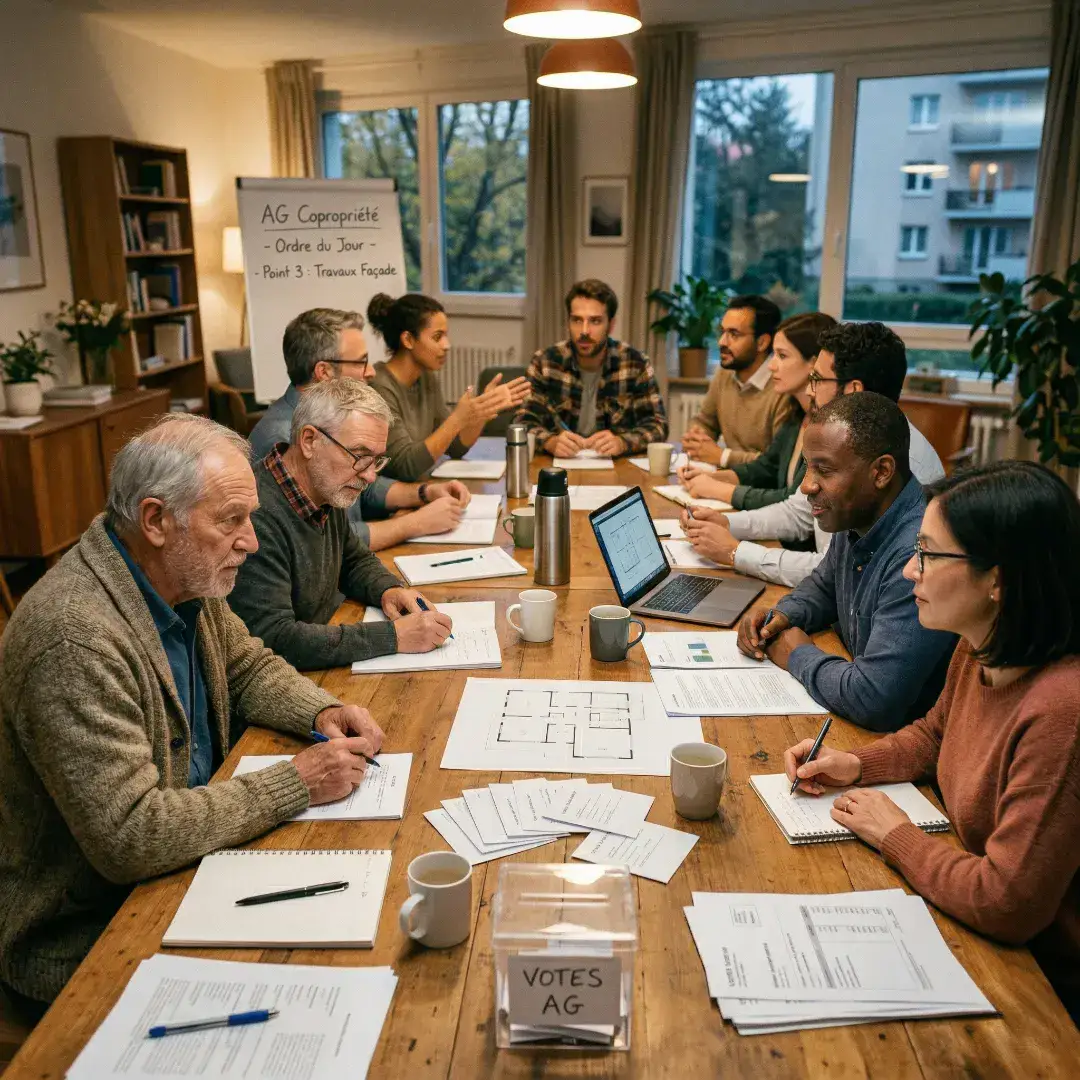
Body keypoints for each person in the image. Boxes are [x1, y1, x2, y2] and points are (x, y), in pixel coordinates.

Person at [0, 415, 384, 1013]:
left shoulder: (181, 578)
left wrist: (324, 709)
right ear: (156, 520)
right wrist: (296, 782)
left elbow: (248, 666)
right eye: (231, 520)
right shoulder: (74, 637)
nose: (251, 541)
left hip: (190, 868)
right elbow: (132, 835)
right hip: (91, 932)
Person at [783, 461, 1080, 1023]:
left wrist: (896, 834)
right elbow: (935, 736)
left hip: (1041, 990)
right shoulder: (980, 647)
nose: (908, 573)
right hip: (966, 909)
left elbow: (1007, 903)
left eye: (928, 554)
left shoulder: (1062, 710)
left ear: (999, 579)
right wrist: (853, 764)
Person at [736, 392, 956, 732]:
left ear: (881, 471)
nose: (807, 485)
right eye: (808, 466)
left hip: (906, 751)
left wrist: (798, 654)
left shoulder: (918, 554)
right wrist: (783, 615)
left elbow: (874, 698)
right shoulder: (859, 511)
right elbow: (825, 586)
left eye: (824, 469)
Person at [684, 321, 945, 583]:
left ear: (853, 390)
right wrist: (726, 524)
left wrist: (734, 552)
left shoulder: (901, 463)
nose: (810, 390)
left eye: (817, 380)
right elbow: (798, 513)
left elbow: (832, 573)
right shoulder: (845, 440)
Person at [230, 379, 452, 671]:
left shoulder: (324, 487)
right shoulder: (256, 515)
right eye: (360, 457)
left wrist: (389, 590)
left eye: (377, 460)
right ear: (309, 441)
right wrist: (393, 636)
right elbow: (274, 638)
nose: (370, 476)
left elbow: (353, 559)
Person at [249, 307, 472, 550]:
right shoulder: (283, 440)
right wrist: (415, 523)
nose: (372, 371)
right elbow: (323, 540)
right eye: (361, 362)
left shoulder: (331, 418)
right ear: (324, 372)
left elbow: (363, 486)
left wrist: (424, 492)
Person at [677, 312, 835, 510]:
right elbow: (767, 467)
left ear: (814, 363)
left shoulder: (827, 424)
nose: (771, 365)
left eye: (782, 356)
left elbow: (795, 502)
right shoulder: (797, 413)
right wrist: (713, 477)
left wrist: (719, 489)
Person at [368, 293, 530, 481]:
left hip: (423, 491)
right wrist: (458, 418)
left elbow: (455, 447)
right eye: (437, 337)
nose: (447, 345)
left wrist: (482, 414)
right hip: (395, 504)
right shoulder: (379, 387)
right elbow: (406, 466)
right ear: (408, 340)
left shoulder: (426, 378)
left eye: (446, 336)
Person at [515, 278, 668, 458]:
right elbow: (521, 422)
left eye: (595, 321)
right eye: (577, 320)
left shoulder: (635, 363)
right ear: (568, 322)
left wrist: (623, 442)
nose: (584, 331)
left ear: (610, 325)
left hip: (616, 469)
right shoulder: (545, 362)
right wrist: (549, 441)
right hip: (558, 466)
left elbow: (658, 425)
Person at [681, 295, 788, 467]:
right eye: (722, 332)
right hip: (728, 479)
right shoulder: (724, 373)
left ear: (762, 342)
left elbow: (776, 464)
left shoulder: (783, 386)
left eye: (734, 334)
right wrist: (697, 438)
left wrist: (723, 456)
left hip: (761, 489)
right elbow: (704, 421)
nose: (722, 342)